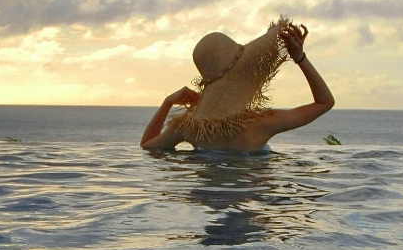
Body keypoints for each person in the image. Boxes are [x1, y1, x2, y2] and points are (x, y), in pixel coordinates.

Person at [140, 18, 334, 151]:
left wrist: (167, 103)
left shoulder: (189, 127)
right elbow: (324, 103)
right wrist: (300, 58)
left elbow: (147, 144)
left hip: (206, 203)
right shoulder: (262, 124)